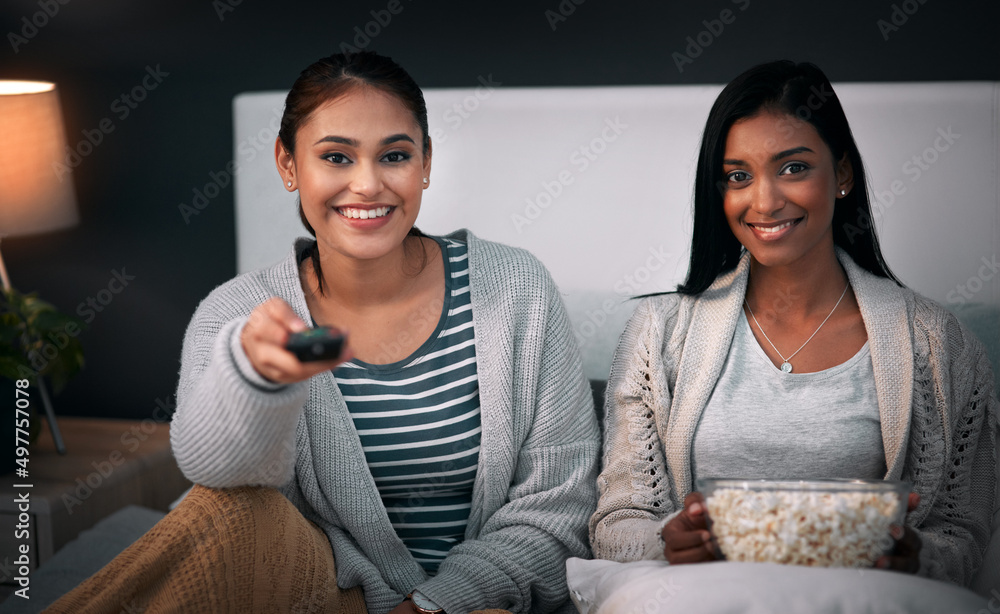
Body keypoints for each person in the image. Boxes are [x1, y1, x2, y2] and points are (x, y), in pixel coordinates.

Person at [46, 51, 599, 614]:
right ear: (288, 165)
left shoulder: (516, 289)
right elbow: (215, 474)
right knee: (228, 509)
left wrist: (434, 604)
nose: (367, 184)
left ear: (426, 163)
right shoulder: (238, 312)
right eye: (336, 156)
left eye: (395, 156)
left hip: (477, 604)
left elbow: (558, 513)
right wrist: (258, 381)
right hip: (329, 596)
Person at [589, 60, 997, 586]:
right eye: (739, 176)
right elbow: (616, 525)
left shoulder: (940, 344)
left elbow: (966, 534)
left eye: (793, 167)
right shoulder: (656, 333)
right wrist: (669, 539)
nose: (764, 201)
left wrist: (917, 555)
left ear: (842, 174)